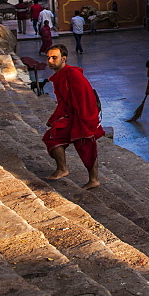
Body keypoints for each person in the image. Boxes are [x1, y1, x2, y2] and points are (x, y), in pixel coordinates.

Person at [41, 44, 104, 189]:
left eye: (54, 57)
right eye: (48, 58)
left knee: (87, 148)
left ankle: (94, 180)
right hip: (71, 117)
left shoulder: (74, 75)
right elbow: (63, 102)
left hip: (83, 118)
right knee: (52, 137)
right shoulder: (59, 76)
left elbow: (85, 100)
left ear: (64, 59)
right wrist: (54, 118)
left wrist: (86, 124)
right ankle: (62, 169)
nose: (50, 61)